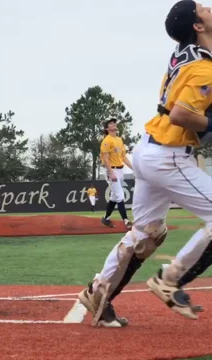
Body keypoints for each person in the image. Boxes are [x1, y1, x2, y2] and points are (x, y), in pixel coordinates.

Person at [78, 0, 212, 328]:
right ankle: (171, 280)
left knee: (146, 233)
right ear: (197, 26)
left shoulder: (187, 54)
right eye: (203, 9)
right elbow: (182, 114)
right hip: (168, 155)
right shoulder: (202, 66)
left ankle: (99, 292)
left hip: (150, 149)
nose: (209, 7)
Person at [99, 118, 134, 230]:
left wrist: (134, 169)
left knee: (114, 197)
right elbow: (105, 159)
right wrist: (111, 173)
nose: (113, 124)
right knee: (120, 196)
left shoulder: (119, 140)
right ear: (107, 128)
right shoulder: (106, 140)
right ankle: (126, 221)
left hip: (120, 170)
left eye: (114, 123)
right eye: (110, 123)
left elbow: (124, 157)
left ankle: (106, 218)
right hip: (112, 170)